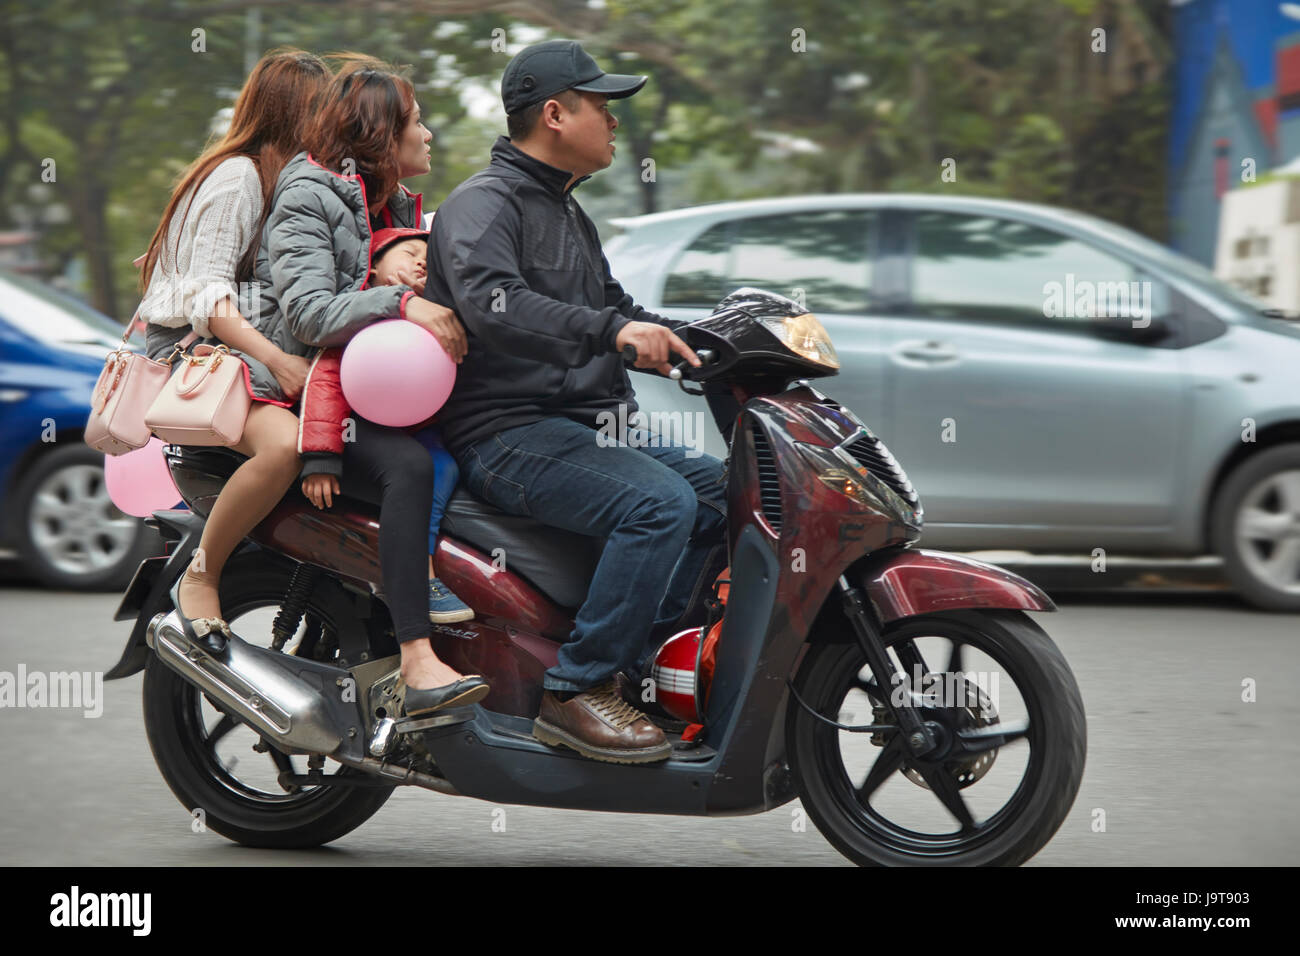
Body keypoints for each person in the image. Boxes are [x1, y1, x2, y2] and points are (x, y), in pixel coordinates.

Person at [423, 39, 728, 762]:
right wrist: (615, 332)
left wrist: (717, 338)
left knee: (720, 491)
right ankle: (575, 689)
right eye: (603, 107)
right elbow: (496, 306)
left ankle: (641, 666)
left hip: (587, 422)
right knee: (660, 504)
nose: (615, 122)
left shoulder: (567, 211)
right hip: (510, 431)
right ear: (556, 114)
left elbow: (618, 307)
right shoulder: (484, 204)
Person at [249, 56, 484, 715]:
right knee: (408, 468)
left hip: (374, 385)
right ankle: (416, 658)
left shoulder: (396, 202)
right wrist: (404, 306)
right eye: (417, 121)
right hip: (309, 390)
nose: (429, 134)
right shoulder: (308, 195)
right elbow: (310, 315)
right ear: (382, 134)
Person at [138, 48, 328, 653]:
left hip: (221, 347)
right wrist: (279, 360)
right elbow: (210, 303)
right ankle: (203, 575)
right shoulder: (240, 176)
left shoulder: (267, 178)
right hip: (194, 354)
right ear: (293, 114)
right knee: (283, 447)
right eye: (321, 113)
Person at [295, 225, 473, 623]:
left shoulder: (437, 319)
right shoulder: (359, 316)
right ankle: (419, 577)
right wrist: (320, 457)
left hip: (417, 429)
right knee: (415, 470)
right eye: (409, 253)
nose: (422, 260)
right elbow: (324, 383)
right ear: (373, 270)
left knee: (444, 467)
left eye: (429, 259)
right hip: (361, 429)